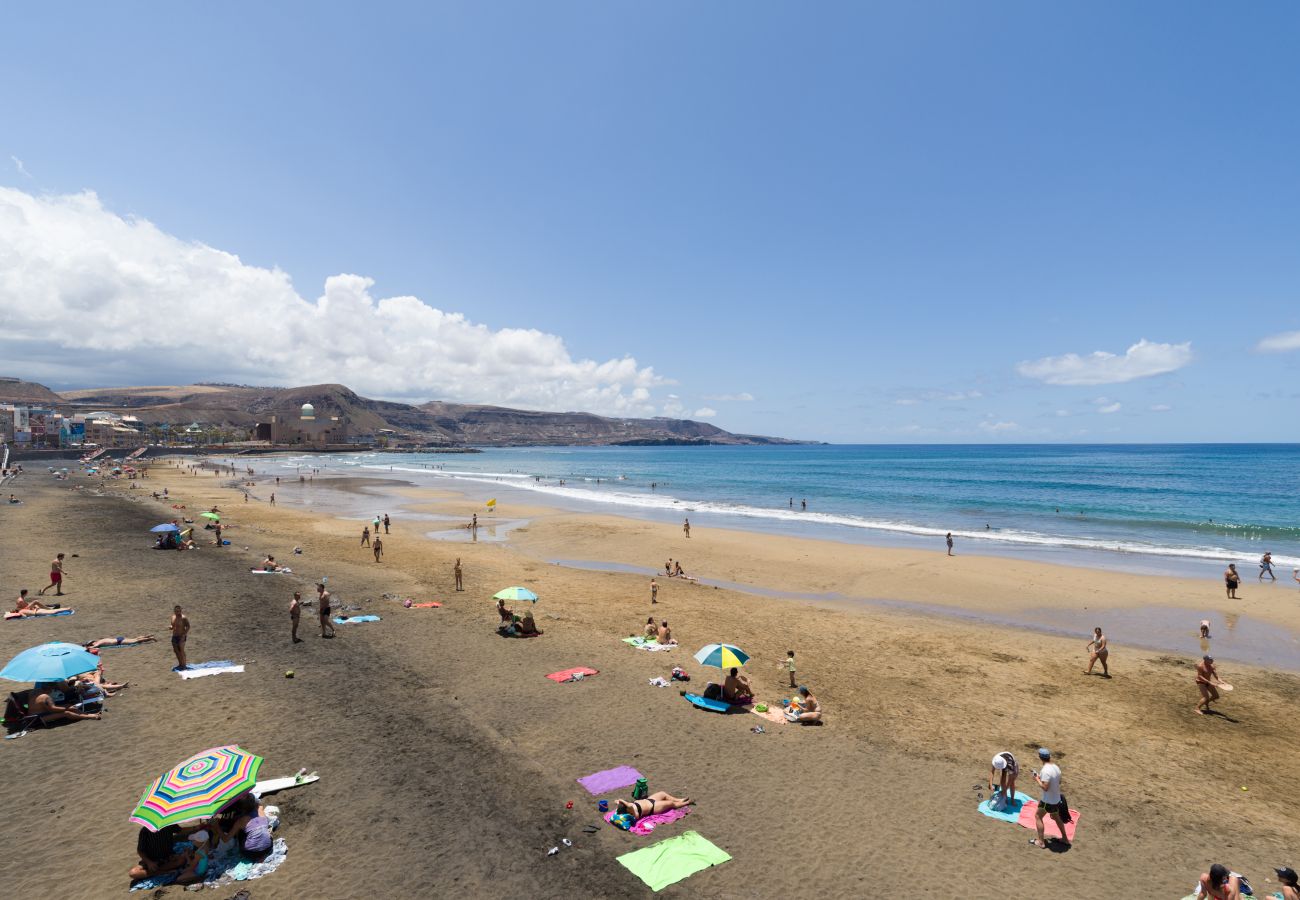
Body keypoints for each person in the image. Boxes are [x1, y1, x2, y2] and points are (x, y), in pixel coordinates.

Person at [219, 793, 275, 862]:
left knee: (241, 832)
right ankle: (261, 854)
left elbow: (225, 839)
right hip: (268, 848)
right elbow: (258, 805)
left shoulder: (240, 821)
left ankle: (250, 851)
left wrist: (216, 827)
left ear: (241, 809)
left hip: (251, 853)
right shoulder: (260, 810)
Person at [1031, 747, 1069, 848]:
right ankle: (1065, 838)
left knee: (1038, 816)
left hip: (1048, 801)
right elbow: (1058, 782)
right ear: (1049, 756)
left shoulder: (1045, 770)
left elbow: (1045, 787)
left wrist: (1037, 779)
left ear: (1040, 757)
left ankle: (1041, 842)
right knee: (1057, 818)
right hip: (1056, 799)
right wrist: (1041, 778)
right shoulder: (1056, 767)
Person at [28, 683, 102, 723]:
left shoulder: (35, 692)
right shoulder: (45, 697)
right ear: (49, 689)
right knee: (66, 713)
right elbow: (53, 709)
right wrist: (67, 708)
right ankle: (89, 716)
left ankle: (89, 714)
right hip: (37, 718)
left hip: (37, 714)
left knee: (68, 706)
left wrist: (68, 706)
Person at [613, 792, 694, 823]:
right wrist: (621, 800)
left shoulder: (627, 808)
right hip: (654, 807)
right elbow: (629, 805)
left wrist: (618, 802)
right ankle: (687, 802)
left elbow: (619, 803)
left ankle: (680, 800)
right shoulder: (633, 812)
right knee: (671, 803)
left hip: (650, 800)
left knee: (663, 794)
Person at [170, 605, 190, 670]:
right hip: (174, 636)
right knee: (176, 651)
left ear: (181, 610)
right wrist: (171, 627)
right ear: (174, 611)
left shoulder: (184, 618)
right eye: (176, 611)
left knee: (181, 651)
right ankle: (180, 664)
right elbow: (172, 625)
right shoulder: (173, 617)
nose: (178, 612)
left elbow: (188, 626)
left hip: (181, 636)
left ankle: (184, 665)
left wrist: (183, 636)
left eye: (179, 611)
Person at [84, 635, 155, 649]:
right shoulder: (99, 641)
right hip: (118, 639)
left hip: (119, 641)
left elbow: (95, 646)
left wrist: (87, 647)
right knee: (135, 639)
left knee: (135, 641)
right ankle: (148, 636)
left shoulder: (98, 642)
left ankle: (150, 638)